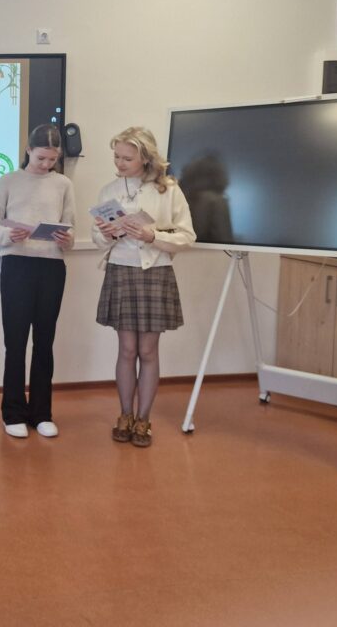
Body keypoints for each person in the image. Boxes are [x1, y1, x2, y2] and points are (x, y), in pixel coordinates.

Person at [91, 126, 195, 447]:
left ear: (146, 158)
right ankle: (125, 414)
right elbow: (97, 238)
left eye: (127, 158)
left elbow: (187, 237)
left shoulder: (169, 189)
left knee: (148, 350)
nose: (119, 163)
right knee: (126, 349)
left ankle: (143, 419)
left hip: (155, 273)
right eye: (116, 157)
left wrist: (153, 236)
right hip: (121, 270)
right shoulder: (109, 190)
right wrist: (106, 233)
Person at [0, 124, 76, 439]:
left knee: (44, 342)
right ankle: (13, 413)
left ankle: (42, 413)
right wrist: (8, 234)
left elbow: (70, 228)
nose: (46, 164)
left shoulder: (63, 184)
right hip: (16, 265)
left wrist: (66, 238)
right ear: (28, 151)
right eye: (41, 158)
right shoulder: (9, 181)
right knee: (16, 341)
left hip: (52, 267)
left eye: (52, 159)